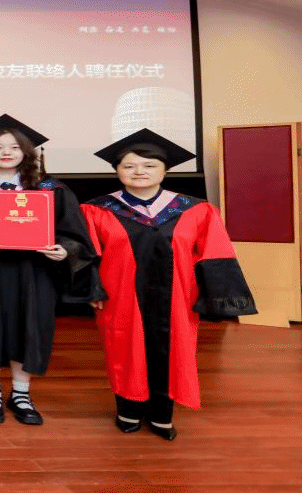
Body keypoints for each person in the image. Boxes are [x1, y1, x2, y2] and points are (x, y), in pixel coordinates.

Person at [81, 129, 256, 440]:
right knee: (124, 348)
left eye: (149, 165)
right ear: (117, 170)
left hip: (178, 295)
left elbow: (216, 253)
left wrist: (215, 296)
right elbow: (87, 253)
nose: (139, 171)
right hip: (120, 295)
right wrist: (93, 288)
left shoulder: (195, 210)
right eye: (129, 166)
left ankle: (163, 413)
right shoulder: (97, 210)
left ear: (165, 170)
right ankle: (128, 409)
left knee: (175, 349)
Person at [0, 114, 97, 425]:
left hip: (35, 270)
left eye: (14, 147)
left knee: (31, 325)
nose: (6, 152)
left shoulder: (50, 189)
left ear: (26, 151)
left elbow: (74, 234)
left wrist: (64, 250)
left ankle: (21, 392)